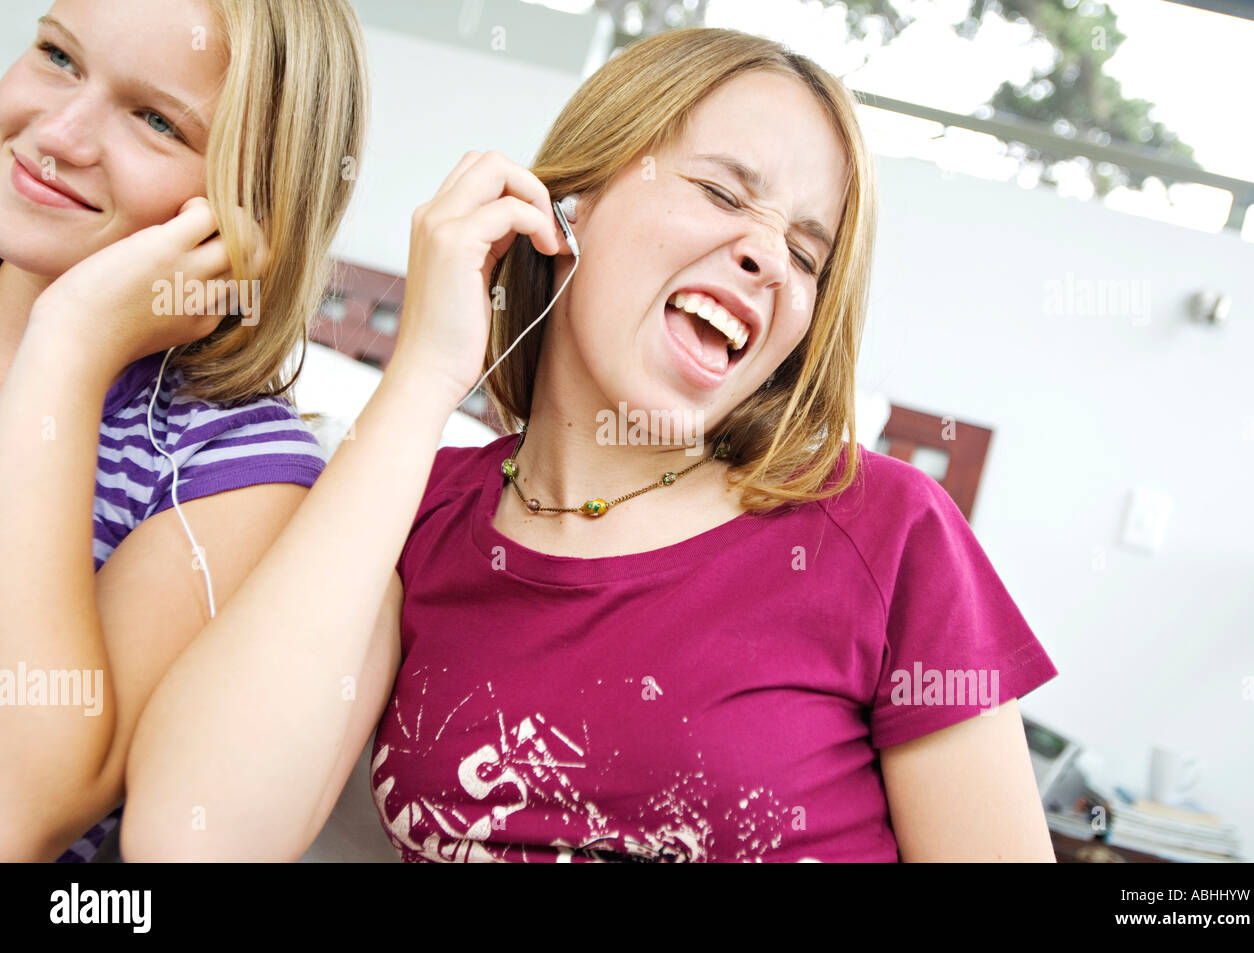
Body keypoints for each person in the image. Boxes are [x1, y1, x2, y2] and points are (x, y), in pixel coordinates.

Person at [124, 26, 1059, 862]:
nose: (769, 255)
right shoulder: (415, 511)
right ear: (564, 207)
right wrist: (420, 376)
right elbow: (188, 841)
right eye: (720, 190)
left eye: (806, 254)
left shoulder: (887, 533)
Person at [0, 0, 367, 862]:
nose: (59, 133)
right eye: (58, 57)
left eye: (157, 120)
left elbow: (18, 809)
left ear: (250, 212)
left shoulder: (234, 469)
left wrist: (68, 346)